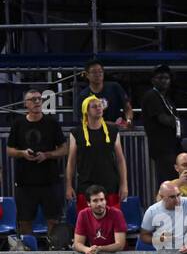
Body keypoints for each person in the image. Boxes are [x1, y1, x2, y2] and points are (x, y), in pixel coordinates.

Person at [5, 87, 68, 236]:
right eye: (33, 99)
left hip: (50, 181)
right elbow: (9, 150)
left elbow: (64, 149)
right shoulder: (18, 124)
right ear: (26, 104)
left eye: (39, 99)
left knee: (53, 219)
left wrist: (47, 155)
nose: (37, 102)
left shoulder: (52, 123)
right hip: (25, 183)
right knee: (24, 220)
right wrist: (22, 153)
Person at [66, 96, 128, 211]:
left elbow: (120, 160)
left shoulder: (113, 130)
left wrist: (124, 184)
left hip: (110, 184)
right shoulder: (76, 132)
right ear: (86, 111)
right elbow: (71, 161)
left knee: (112, 221)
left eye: (100, 106)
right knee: (86, 223)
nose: (98, 108)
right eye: (94, 106)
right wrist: (68, 186)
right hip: (86, 184)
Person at [72, 185, 129, 254]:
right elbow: (77, 243)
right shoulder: (83, 214)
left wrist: (100, 249)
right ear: (88, 203)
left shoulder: (116, 213)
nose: (99, 204)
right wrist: (87, 249)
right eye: (95, 201)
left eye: (102, 200)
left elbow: (120, 244)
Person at [138, 65, 183, 190]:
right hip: (162, 148)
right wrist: (174, 121)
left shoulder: (166, 98)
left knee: (176, 180)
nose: (164, 80)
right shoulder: (151, 96)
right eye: (160, 77)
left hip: (171, 146)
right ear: (153, 80)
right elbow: (161, 118)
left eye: (167, 78)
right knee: (169, 182)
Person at [75, 59, 132, 128]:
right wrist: (111, 124)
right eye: (94, 72)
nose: (98, 74)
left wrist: (128, 121)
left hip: (117, 132)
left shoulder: (115, 87)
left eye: (100, 71)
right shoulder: (83, 95)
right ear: (87, 75)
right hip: (95, 134)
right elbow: (84, 120)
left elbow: (127, 107)